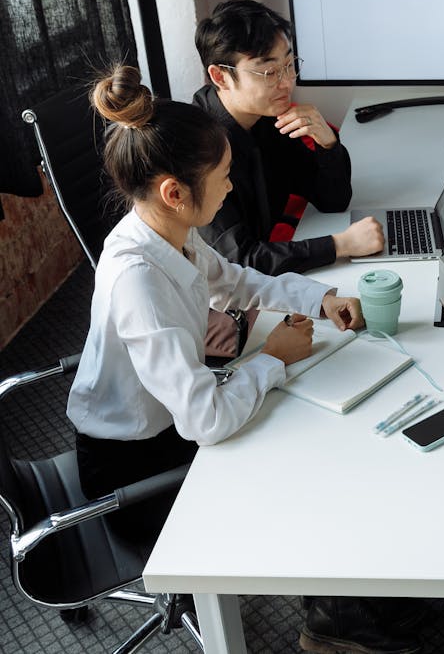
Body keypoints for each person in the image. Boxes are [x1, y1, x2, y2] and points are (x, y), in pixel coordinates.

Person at [67, 64, 364, 543]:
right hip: (134, 468)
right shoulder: (137, 279)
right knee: (303, 478)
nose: (229, 188)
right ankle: (331, 611)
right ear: (175, 192)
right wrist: (273, 358)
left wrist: (320, 298)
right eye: (224, 177)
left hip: (168, 421)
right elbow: (205, 420)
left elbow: (234, 281)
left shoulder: (166, 231)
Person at [193, 0, 384, 275]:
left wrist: (327, 143)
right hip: (216, 302)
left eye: (290, 64)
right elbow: (243, 259)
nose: (287, 82)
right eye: (270, 72)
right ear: (220, 77)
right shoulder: (195, 150)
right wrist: (340, 244)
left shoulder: (269, 116)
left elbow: (332, 201)